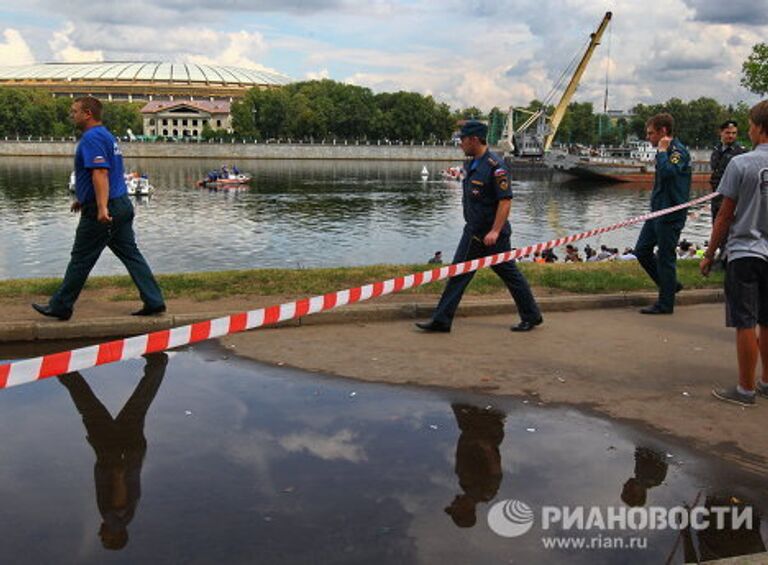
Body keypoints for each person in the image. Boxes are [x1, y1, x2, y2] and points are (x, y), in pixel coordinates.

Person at [32, 96, 165, 321]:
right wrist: (82, 199)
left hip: (105, 208)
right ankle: (154, 301)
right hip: (121, 203)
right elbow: (109, 174)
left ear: (87, 114)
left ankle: (61, 305)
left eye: (74, 111)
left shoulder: (91, 138)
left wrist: (101, 208)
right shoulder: (106, 135)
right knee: (131, 254)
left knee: (81, 258)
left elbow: (100, 173)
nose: (71, 115)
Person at [415, 121, 542, 333]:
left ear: (474, 140)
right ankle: (441, 320)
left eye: (463, 139)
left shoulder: (496, 167)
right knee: (459, 274)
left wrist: (495, 231)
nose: (460, 144)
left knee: (510, 275)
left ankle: (531, 316)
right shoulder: (471, 165)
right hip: (473, 231)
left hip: (492, 235)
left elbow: (505, 201)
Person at [59, 353, 167, 550]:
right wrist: (118, 473)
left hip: (129, 453)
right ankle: (64, 369)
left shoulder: (126, 518)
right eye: (104, 539)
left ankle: (158, 364)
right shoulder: (116, 520)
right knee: (90, 410)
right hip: (114, 455)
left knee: (137, 406)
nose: (100, 534)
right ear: (115, 536)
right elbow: (119, 500)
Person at [701, 99, 768, 407]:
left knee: (745, 321)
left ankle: (744, 389)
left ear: (759, 129)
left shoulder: (741, 164)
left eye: (751, 127)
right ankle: (766, 381)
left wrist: (710, 253)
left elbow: (724, 215)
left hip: (744, 250)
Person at [634, 113, 690, 315]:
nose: (648, 137)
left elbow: (669, 173)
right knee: (641, 250)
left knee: (666, 257)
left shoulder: (677, 151)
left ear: (663, 131)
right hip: (657, 211)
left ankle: (665, 304)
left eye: (650, 133)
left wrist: (662, 152)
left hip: (671, 213)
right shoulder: (666, 151)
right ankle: (670, 285)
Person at [444, 403, 505, 528]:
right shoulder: (486, 493)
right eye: (454, 507)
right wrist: (487, 448)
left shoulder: (465, 485)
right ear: (464, 511)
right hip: (485, 432)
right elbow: (495, 473)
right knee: (463, 401)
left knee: (459, 402)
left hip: (471, 429)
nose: (452, 503)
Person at [710, 120, 747, 227]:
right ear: (721, 133)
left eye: (734, 133)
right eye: (727, 133)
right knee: (716, 228)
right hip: (716, 197)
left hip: (732, 200)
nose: (731, 136)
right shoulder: (716, 150)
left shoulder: (741, 152)